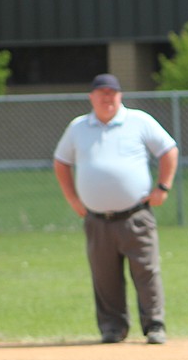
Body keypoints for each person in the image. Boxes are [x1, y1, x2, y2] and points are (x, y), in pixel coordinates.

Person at [53, 74, 179, 345]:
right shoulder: (78, 128)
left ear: (120, 96)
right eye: (102, 93)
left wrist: (163, 187)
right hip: (97, 219)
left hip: (135, 215)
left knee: (146, 271)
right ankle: (113, 328)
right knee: (104, 276)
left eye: (112, 93)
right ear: (92, 97)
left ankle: (154, 325)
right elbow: (61, 161)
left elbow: (169, 150)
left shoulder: (138, 121)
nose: (107, 98)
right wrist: (73, 199)